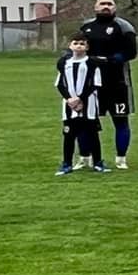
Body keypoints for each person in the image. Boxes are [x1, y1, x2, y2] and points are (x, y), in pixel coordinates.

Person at [77, 0, 138, 166]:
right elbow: (77, 49)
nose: (106, 6)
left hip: (118, 83)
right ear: (95, 6)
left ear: (115, 7)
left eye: (109, 4)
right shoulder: (86, 27)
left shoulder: (124, 26)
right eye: (102, 3)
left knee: (121, 120)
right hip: (91, 84)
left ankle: (121, 159)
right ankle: (85, 158)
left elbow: (131, 53)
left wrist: (111, 60)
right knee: (85, 121)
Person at [55, 35, 105, 174]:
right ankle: (66, 164)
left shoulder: (92, 63)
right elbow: (60, 84)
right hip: (69, 106)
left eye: (82, 43)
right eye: (75, 43)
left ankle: (98, 162)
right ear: (70, 46)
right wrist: (69, 99)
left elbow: (95, 84)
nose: (78, 46)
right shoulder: (64, 63)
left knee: (92, 134)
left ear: (87, 47)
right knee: (69, 136)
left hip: (88, 105)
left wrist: (80, 99)